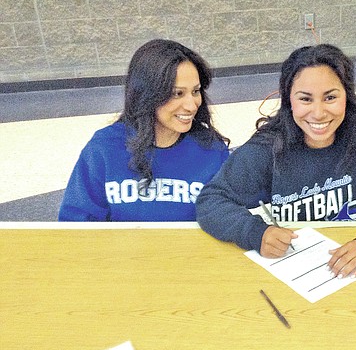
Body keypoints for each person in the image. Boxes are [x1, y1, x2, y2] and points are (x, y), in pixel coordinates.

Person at [196, 44, 356, 278]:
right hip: (294, 266)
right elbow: (211, 201)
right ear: (288, 101)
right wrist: (255, 233)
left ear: (348, 96)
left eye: (330, 97)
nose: (318, 113)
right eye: (305, 99)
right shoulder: (267, 146)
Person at [59, 39, 229, 221]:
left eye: (195, 91)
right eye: (177, 93)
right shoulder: (104, 148)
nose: (191, 105)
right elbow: (75, 225)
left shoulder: (212, 151)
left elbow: (232, 219)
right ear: (148, 94)